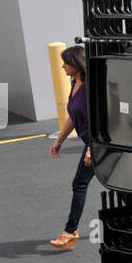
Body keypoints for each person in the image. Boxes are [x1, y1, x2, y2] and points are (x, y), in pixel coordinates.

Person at [48, 45, 92, 250]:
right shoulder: (75, 82)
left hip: (100, 144)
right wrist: (59, 141)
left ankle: (70, 231)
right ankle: (71, 232)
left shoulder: (90, 86)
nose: (63, 66)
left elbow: (103, 119)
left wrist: (94, 147)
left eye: (66, 62)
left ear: (77, 63)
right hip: (92, 143)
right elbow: (73, 117)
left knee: (79, 184)